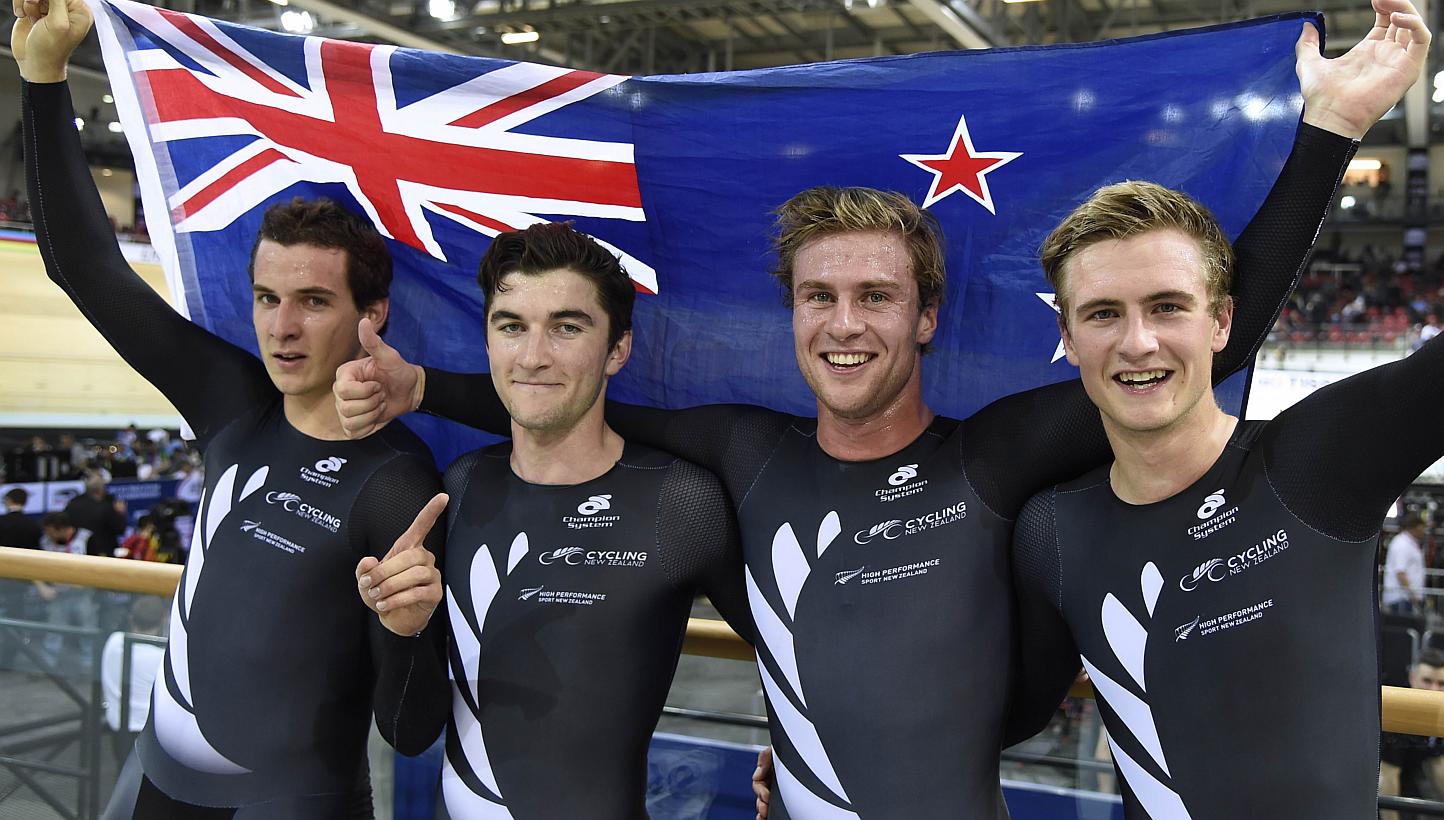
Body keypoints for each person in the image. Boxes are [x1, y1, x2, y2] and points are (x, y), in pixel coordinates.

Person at [339, 6, 1427, 811]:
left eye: (875, 297)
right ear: (790, 316)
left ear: (923, 319)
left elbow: (1179, 344)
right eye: (820, 296)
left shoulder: (995, 462)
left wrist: (1327, 127)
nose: (845, 324)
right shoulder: (740, 454)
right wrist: (423, 385)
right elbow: (566, 394)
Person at [15, 2, 445, 816]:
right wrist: (42, 80)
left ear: (372, 315)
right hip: (148, 789)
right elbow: (85, 269)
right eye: (266, 298)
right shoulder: (232, 403)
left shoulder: (396, 483)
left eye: (313, 301)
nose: (281, 327)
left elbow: (409, 730)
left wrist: (410, 627)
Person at [1010, 170, 1441, 815]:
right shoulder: (1050, 533)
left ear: (1222, 322)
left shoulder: (1319, 460)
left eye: (1168, 306)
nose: (1138, 342)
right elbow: (1009, 710)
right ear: (1068, 339)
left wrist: (1337, 123)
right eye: (1103, 314)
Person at [354, 222, 751, 817]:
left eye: (567, 327)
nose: (534, 356)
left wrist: (793, 766)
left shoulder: (681, 503)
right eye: (512, 326)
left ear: (618, 348)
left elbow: (802, 651)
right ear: (488, 342)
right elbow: (408, 733)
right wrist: (404, 632)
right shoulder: (457, 489)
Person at [1382, 649, 1444, 820]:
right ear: (1412, 678)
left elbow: (1436, 762)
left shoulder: (1438, 711)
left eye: (1441, 684)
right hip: (1369, 785)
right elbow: (1387, 777)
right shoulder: (1398, 710)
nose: (1434, 690)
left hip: (1408, 780)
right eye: (1427, 681)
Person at [63, 473, 127, 558]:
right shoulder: (106, 507)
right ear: (101, 490)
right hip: (102, 554)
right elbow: (120, 529)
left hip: (77, 553)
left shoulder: (73, 503)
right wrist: (120, 514)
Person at [1385, 512, 1430, 615]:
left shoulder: (1409, 543)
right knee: (1404, 629)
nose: (1424, 531)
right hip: (1401, 599)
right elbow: (1400, 573)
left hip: (1406, 598)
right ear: (1417, 527)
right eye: (1423, 528)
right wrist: (1413, 596)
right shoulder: (1402, 544)